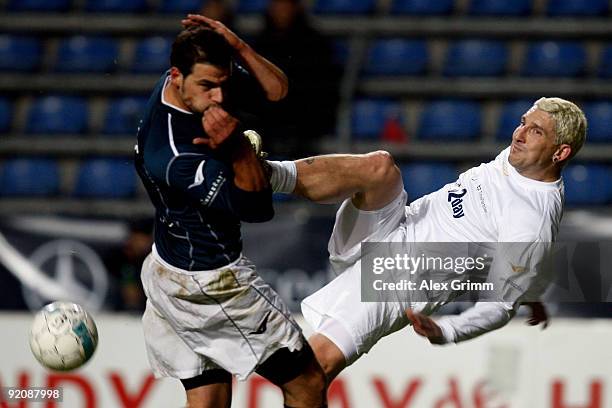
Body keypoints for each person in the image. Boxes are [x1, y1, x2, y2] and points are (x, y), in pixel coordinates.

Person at [267, 97, 587, 380]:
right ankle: (264, 173)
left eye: (536, 131)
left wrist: (448, 330)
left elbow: (500, 306)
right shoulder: (523, 159)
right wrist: (527, 287)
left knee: (311, 370)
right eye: (523, 123)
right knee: (380, 167)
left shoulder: (532, 220)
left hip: (396, 281)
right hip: (395, 227)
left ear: (560, 152)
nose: (519, 134)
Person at [134, 15, 326, 408]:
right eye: (208, 86)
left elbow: (278, 91)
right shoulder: (176, 156)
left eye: (223, 84)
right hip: (212, 282)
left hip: (167, 268)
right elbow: (258, 209)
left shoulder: (188, 85)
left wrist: (237, 46)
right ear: (176, 76)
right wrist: (238, 148)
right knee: (307, 383)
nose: (219, 97)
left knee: (209, 402)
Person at [253, 0, 341, 157]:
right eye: (277, 5)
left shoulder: (315, 43)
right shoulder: (260, 43)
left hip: (305, 125)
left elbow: (325, 88)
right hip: (267, 125)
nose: (281, 10)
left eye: (285, 5)